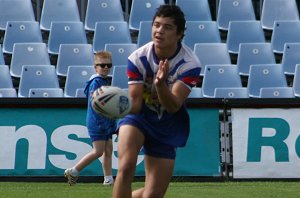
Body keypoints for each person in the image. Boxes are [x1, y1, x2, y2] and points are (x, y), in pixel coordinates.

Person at [113, 4, 201, 198]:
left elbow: (173, 106)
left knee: (152, 195)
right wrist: (113, 107)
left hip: (166, 123)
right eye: (156, 25)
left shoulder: (190, 64)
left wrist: (161, 85)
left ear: (180, 34)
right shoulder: (137, 58)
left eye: (167, 27)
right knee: (126, 167)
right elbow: (135, 105)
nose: (159, 31)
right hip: (139, 118)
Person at [64, 51, 116, 186]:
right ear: (95, 67)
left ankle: (108, 178)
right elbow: (96, 105)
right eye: (102, 65)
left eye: (108, 65)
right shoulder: (96, 82)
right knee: (98, 151)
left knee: (108, 149)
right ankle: (74, 171)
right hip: (97, 122)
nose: (105, 67)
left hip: (106, 121)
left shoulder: (104, 81)